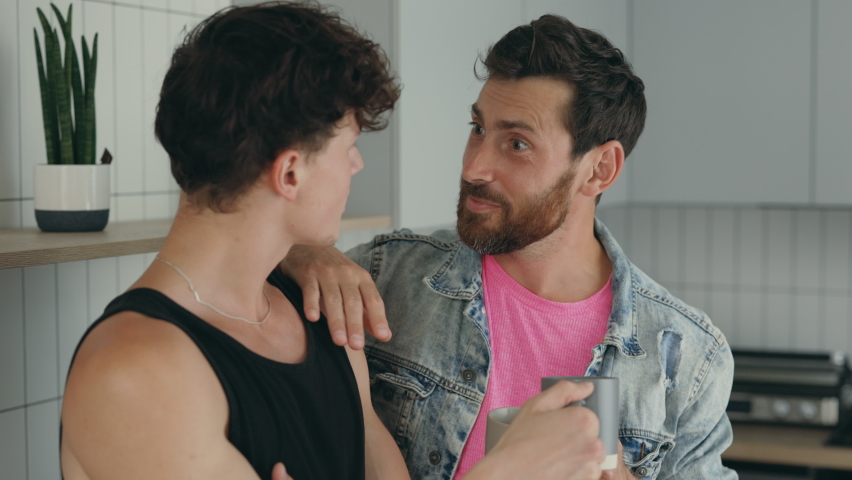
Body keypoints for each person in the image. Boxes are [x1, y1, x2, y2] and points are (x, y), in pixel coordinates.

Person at [59, 3, 615, 480]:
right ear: (291, 174)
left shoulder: (325, 314)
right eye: (348, 145)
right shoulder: (137, 373)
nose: (356, 165)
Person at [281, 13, 738, 480]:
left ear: (599, 169)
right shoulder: (385, 276)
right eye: (478, 128)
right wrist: (294, 251)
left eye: (517, 144)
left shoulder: (688, 356)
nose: (474, 167)